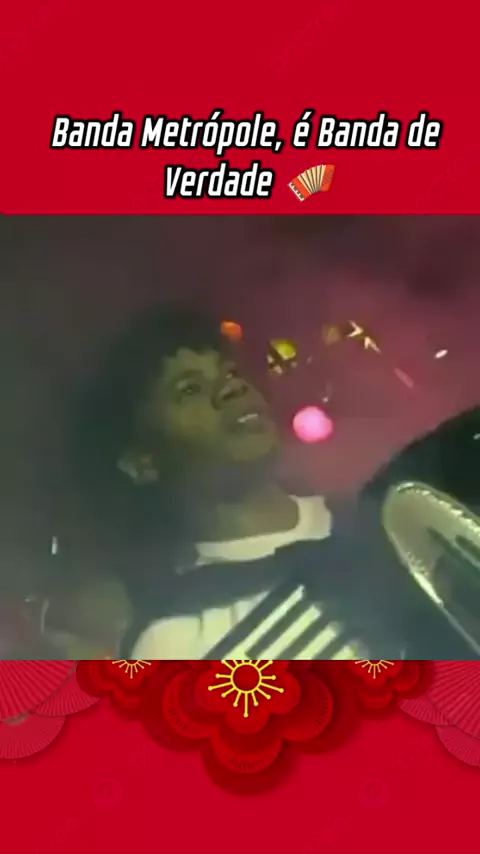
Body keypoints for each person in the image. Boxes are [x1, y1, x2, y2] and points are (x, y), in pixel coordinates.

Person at [69, 302, 478, 660]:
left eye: (230, 371)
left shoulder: (389, 512)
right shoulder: (175, 646)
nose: (230, 388)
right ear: (141, 462)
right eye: (189, 390)